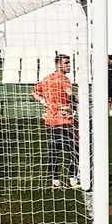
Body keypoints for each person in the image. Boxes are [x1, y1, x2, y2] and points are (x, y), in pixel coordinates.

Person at [33, 53, 78, 188]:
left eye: (69, 63)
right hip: (65, 120)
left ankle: (55, 180)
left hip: (51, 120)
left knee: (54, 150)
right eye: (66, 63)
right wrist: (72, 106)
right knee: (75, 149)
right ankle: (72, 177)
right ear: (58, 64)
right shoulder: (64, 79)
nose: (69, 66)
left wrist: (44, 102)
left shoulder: (47, 79)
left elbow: (34, 92)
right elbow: (70, 95)